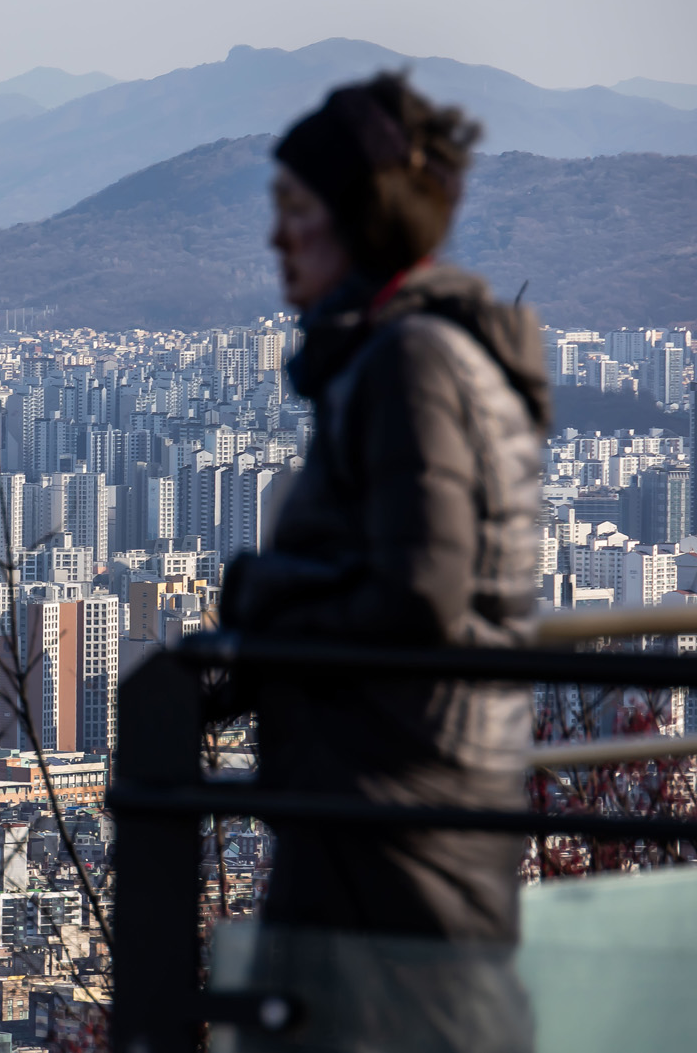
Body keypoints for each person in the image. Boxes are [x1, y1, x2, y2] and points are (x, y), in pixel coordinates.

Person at [217, 73, 549, 1051]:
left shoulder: (408, 362)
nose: (276, 238)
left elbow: (421, 591)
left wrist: (261, 597)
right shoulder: (418, 353)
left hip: (393, 814)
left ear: (356, 221)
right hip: (405, 800)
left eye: (296, 211)